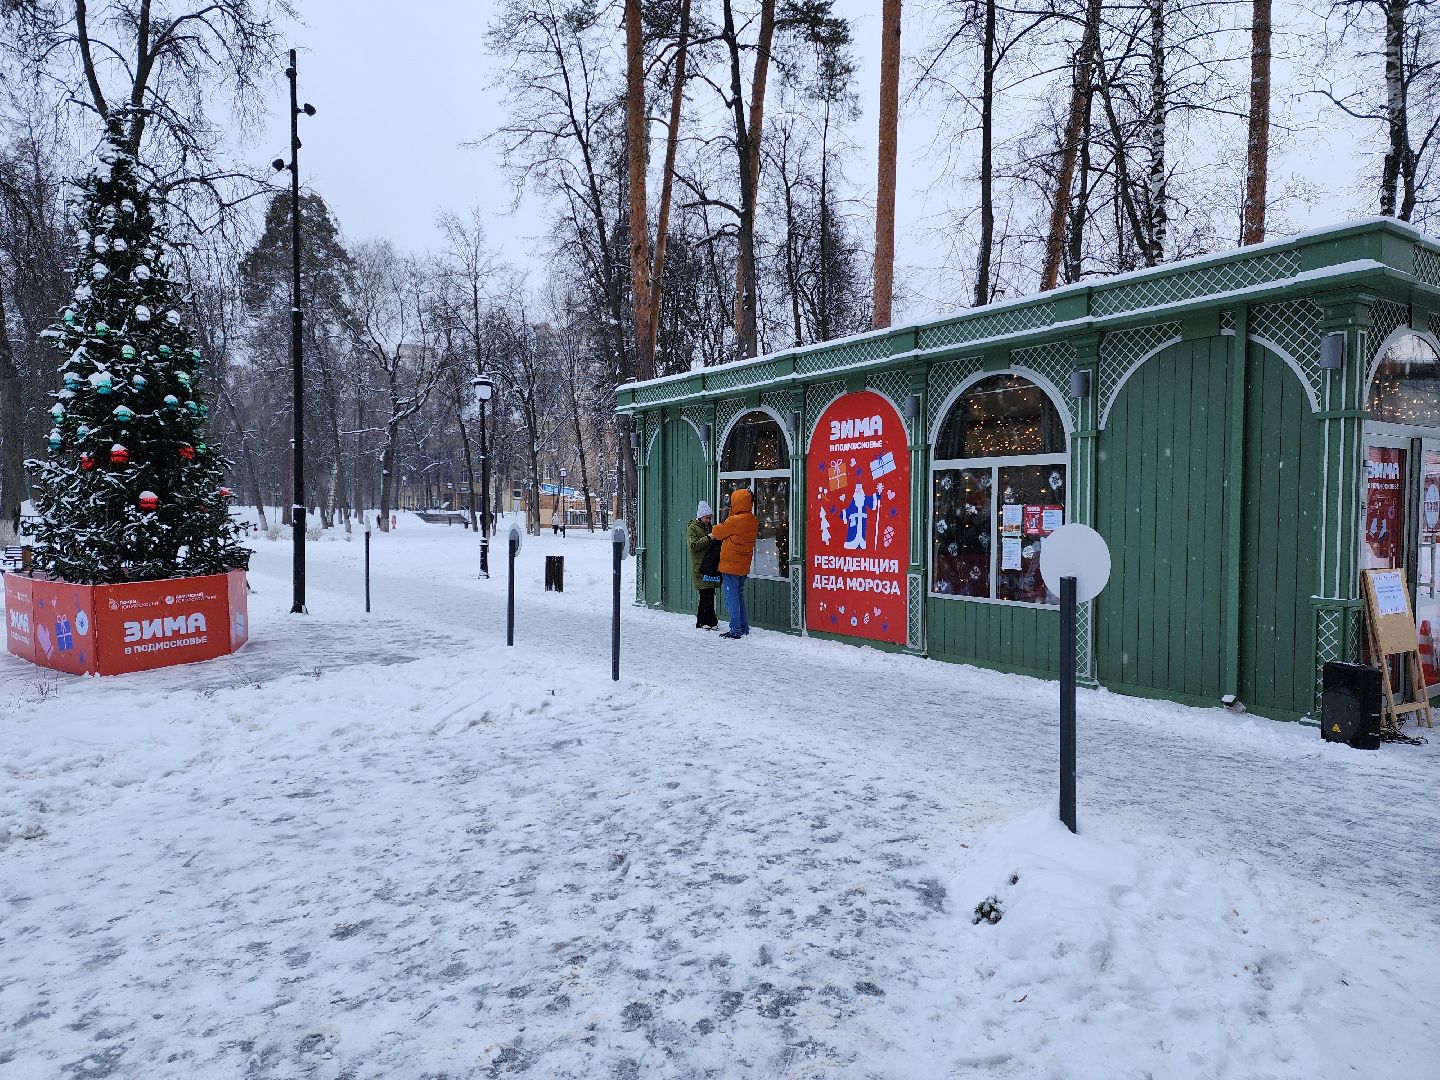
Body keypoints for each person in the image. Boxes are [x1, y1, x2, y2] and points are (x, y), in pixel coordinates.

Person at [709, 487, 758, 639]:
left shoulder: (734, 520)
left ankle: (735, 630)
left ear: (736, 502)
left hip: (730, 566)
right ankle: (743, 627)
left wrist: (728, 516)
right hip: (743, 565)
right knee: (739, 595)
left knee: (732, 598)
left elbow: (717, 532)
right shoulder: (753, 520)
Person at [687, 501, 719, 630]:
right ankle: (708, 621)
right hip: (700, 567)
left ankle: (704, 621)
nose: (708, 520)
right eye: (706, 518)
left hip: (710, 566)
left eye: (710, 518)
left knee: (709, 593)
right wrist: (709, 538)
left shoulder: (710, 528)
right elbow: (693, 546)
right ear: (700, 517)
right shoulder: (692, 528)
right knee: (705, 594)